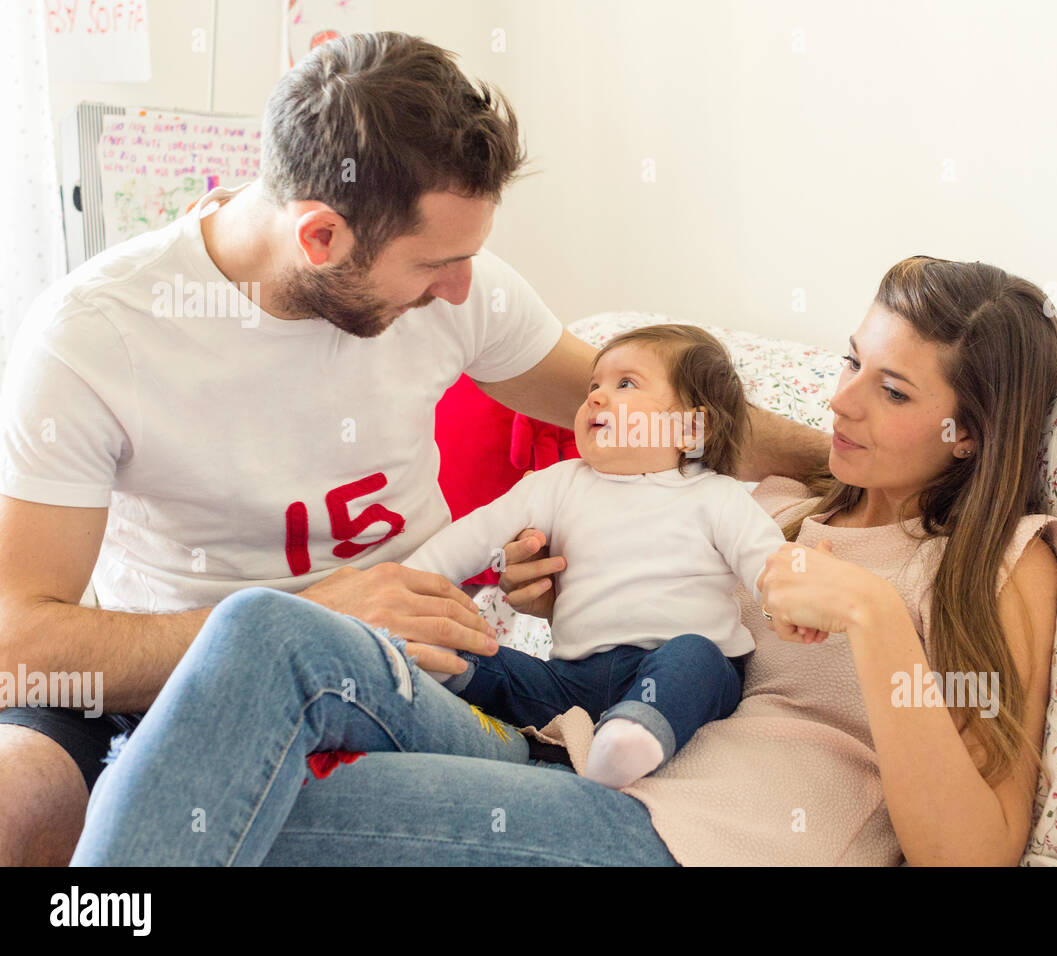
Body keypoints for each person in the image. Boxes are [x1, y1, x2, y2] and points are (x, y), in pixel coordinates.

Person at [0, 32, 827, 865]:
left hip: (408, 669)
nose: (461, 289)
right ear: (320, 237)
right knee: (18, 801)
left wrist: (850, 453)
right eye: (436, 264)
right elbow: (13, 647)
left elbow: (680, 415)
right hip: (152, 673)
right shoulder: (95, 338)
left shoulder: (464, 290)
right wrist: (318, 616)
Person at [71, 255, 1057, 867]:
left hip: (688, 843)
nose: (842, 403)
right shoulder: (772, 504)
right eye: (850, 361)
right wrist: (531, 587)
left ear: (967, 435)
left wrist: (878, 617)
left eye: (891, 390)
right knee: (264, 629)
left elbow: (970, 852)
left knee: (241, 811)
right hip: (569, 747)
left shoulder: (995, 564)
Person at [401, 324, 790, 789]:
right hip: (570, 683)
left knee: (697, 658)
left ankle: (633, 738)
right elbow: (470, 537)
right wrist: (401, 586)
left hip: (674, 663)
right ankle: (431, 668)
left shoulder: (717, 496)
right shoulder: (558, 483)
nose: (597, 398)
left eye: (625, 383)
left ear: (689, 427)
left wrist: (797, 591)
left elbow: (769, 561)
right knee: (478, 653)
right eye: (594, 385)